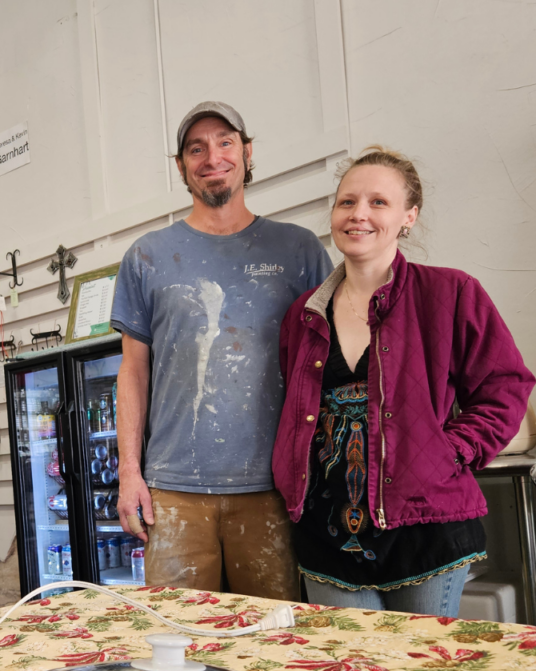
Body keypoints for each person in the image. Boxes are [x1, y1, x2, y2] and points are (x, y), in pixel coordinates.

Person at [272, 146, 535, 614]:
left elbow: (506, 386)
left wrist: (451, 450)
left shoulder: (451, 293)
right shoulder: (303, 313)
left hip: (424, 529)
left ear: (408, 216)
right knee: (346, 664)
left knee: (417, 662)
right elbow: (294, 407)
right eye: (347, 202)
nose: (359, 215)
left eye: (379, 202)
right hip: (327, 535)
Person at [110, 101, 333, 599]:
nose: (212, 157)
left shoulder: (299, 251)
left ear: (248, 152)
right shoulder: (146, 257)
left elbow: (327, 367)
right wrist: (130, 474)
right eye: (197, 148)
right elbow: (133, 371)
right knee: (179, 643)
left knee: (272, 643)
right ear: (182, 166)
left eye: (225, 142)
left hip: (274, 488)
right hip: (172, 492)